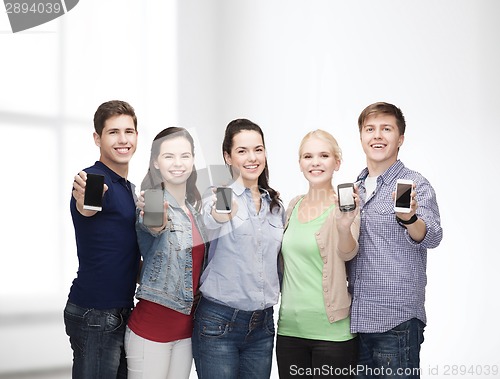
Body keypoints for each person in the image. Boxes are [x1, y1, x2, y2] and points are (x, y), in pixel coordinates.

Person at [348, 102, 443, 379]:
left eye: (386, 129)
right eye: (370, 129)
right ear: (362, 137)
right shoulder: (355, 187)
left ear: (400, 139)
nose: (377, 136)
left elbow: (433, 235)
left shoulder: (414, 183)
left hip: (396, 321)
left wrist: (410, 218)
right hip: (356, 321)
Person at [191, 118, 285, 379]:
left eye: (258, 149)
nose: (252, 157)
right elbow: (208, 222)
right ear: (228, 157)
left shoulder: (275, 206)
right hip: (218, 323)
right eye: (242, 151)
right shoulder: (218, 195)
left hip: (263, 325)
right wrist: (220, 215)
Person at [64, 100, 141, 378]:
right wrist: (85, 201)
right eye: (113, 132)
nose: (123, 139)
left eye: (129, 131)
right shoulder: (94, 179)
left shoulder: (130, 189)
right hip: (95, 313)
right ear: (97, 138)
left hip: (120, 310)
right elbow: (87, 206)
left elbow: (128, 250)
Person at [124, 127, 209, 378]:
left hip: (185, 332)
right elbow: (154, 224)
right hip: (151, 331)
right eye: (169, 156)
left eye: (185, 156)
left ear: (193, 161)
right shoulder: (151, 201)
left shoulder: (193, 210)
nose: (178, 163)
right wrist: (153, 214)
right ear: (156, 163)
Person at [276, 130, 360, 379]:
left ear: (337, 162)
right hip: (290, 331)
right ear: (300, 163)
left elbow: (348, 253)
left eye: (324, 155)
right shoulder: (293, 205)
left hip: (332, 335)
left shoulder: (346, 207)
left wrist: (344, 225)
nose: (315, 162)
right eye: (308, 156)